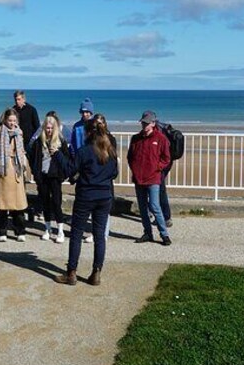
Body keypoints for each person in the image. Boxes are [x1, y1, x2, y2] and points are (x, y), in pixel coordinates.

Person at [52, 118, 118, 286]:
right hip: (104, 196)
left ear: (88, 133)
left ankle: (71, 273)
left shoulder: (84, 151)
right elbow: (114, 173)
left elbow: (68, 170)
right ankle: (96, 272)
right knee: (99, 236)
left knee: (76, 234)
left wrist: (57, 154)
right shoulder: (110, 151)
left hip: (86, 196)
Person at [127, 110, 172, 245]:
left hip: (153, 178)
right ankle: (147, 233)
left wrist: (157, 168)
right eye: (143, 123)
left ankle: (164, 234)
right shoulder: (136, 139)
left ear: (153, 123)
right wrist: (135, 169)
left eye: (146, 123)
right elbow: (130, 157)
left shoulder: (161, 139)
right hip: (139, 178)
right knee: (142, 208)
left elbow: (166, 158)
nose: (144, 126)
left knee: (154, 206)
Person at [0, 108, 29, 241]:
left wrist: (23, 161)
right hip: (4, 170)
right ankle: (2, 232)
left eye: (14, 120)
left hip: (16, 169)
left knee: (18, 204)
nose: (12, 123)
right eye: (10, 120)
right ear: (5, 119)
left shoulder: (19, 133)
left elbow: (22, 150)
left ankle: (20, 231)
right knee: (3, 204)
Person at [29, 114, 70, 242]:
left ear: (56, 128)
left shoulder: (60, 141)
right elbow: (33, 157)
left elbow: (66, 159)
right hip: (43, 176)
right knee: (45, 202)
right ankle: (47, 229)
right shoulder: (38, 142)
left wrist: (62, 175)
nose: (49, 131)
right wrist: (36, 174)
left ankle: (60, 231)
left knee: (57, 203)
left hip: (55, 176)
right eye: (47, 128)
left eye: (52, 128)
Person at [69, 99, 96, 241]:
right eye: (83, 111)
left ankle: (93, 231)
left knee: (92, 198)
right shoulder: (77, 126)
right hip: (80, 165)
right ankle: (79, 228)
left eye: (87, 112)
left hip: (92, 164)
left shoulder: (95, 126)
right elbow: (72, 146)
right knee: (80, 197)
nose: (85, 114)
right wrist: (75, 160)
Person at [13, 90, 40, 223]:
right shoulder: (12, 111)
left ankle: (39, 205)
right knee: (19, 173)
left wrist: (34, 143)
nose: (17, 102)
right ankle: (20, 201)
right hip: (17, 147)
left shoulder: (31, 110)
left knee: (36, 172)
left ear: (24, 99)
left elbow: (38, 128)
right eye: (16, 99)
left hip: (31, 146)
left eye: (19, 99)